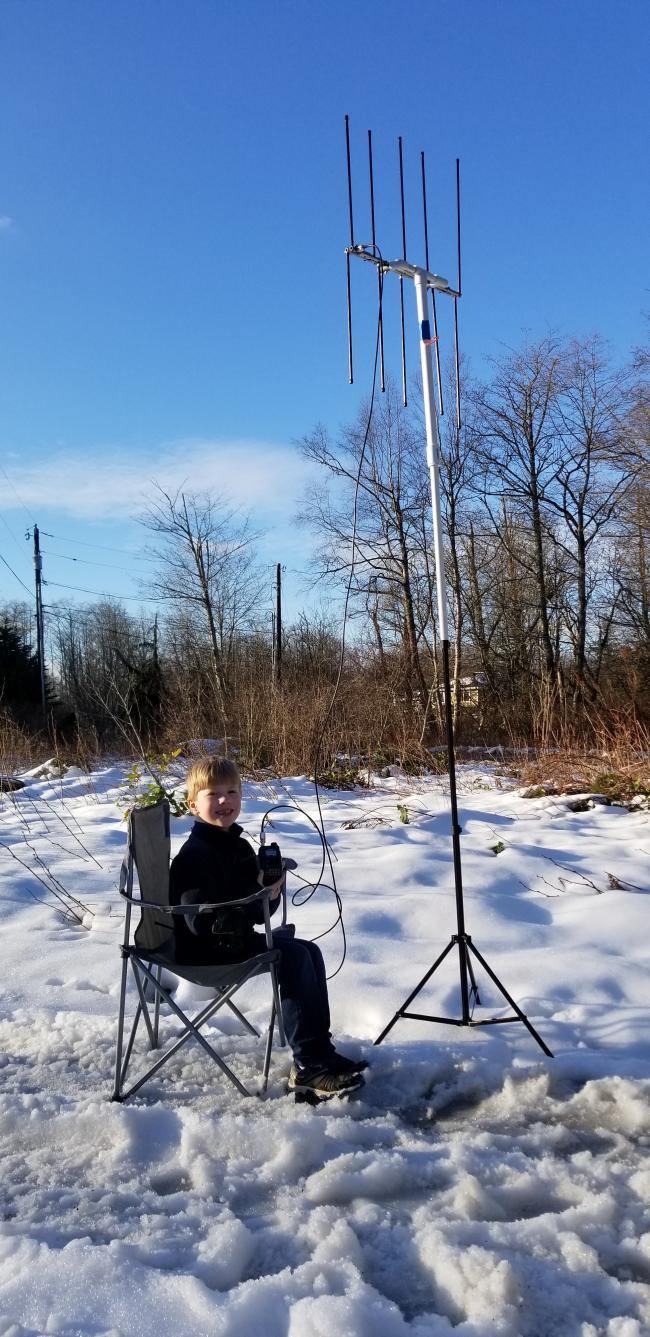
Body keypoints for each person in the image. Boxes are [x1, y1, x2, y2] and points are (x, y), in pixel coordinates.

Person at [169, 755, 367, 1100]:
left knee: (309, 949)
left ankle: (319, 1051)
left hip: (231, 942)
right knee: (290, 955)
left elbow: (260, 915)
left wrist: (267, 893)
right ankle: (308, 1066)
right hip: (205, 953)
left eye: (231, 792)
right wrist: (252, 899)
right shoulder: (195, 855)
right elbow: (201, 922)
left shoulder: (237, 844)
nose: (224, 802)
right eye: (213, 795)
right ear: (193, 805)